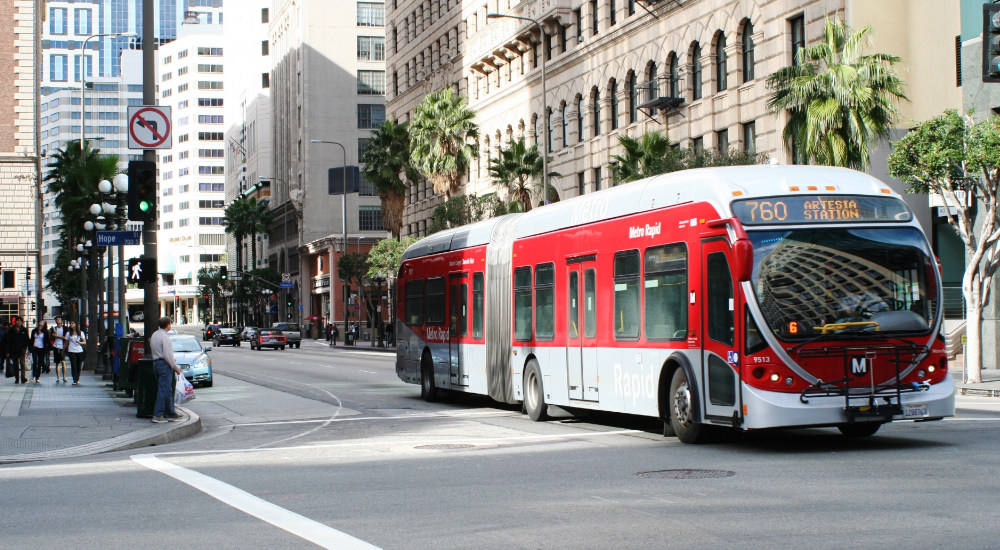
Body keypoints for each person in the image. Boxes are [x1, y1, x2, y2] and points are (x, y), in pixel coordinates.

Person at [149, 316, 183, 423]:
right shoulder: (165, 337)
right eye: (170, 324)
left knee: (167, 389)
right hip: (164, 364)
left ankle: (170, 412)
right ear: (168, 325)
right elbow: (168, 355)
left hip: (156, 363)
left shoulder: (154, 335)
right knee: (164, 389)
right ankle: (158, 414)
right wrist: (175, 367)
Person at [3, 318, 29, 383]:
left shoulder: (24, 330)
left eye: (20, 321)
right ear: (15, 322)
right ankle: (17, 378)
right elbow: (8, 341)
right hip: (13, 350)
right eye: (17, 321)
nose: (19, 322)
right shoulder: (11, 330)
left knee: (22, 364)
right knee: (15, 364)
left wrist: (25, 348)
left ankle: (23, 377)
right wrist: (7, 351)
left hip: (22, 350)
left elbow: (27, 340)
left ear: (22, 322)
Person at [65, 321, 86, 385]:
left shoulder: (80, 333)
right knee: (73, 365)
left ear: (76, 324)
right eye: (71, 323)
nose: (71, 324)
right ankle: (75, 379)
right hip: (71, 351)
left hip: (79, 351)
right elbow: (66, 342)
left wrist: (79, 342)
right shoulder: (68, 333)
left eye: (73, 323)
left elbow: (84, 342)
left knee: (78, 365)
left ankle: (77, 378)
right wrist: (63, 350)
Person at [50, 316, 68, 383]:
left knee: (63, 361)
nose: (58, 321)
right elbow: (51, 338)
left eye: (59, 319)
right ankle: (58, 378)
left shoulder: (65, 328)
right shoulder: (54, 328)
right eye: (57, 320)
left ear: (61, 321)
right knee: (57, 363)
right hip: (56, 346)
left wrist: (56, 336)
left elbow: (66, 337)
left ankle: (64, 377)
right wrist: (53, 334)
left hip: (62, 347)